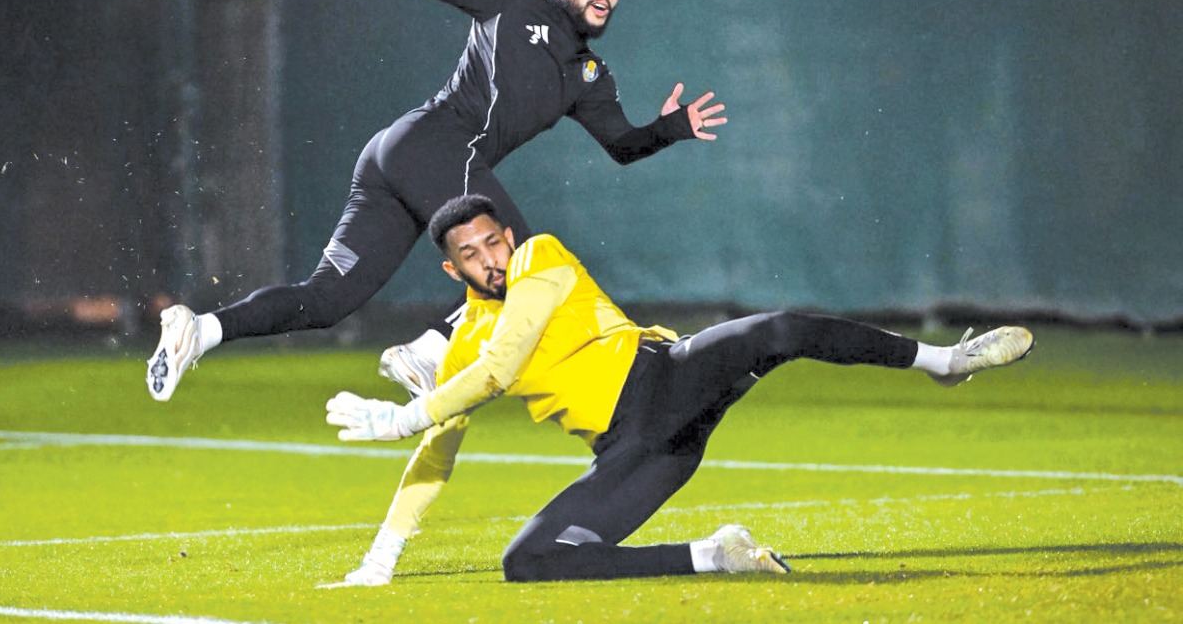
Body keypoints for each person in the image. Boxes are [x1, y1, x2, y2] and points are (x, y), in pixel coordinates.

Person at [145, 0, 727, 402]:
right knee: (526, 264)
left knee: (326, 302)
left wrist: (670, 127)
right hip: (431, 146)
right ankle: (429, 352)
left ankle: (202, 329)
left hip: (409, 158)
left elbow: (622, 145)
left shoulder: (589, 76)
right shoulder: (515, 1)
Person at [321, 194, 1035, 585]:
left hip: (668, 376)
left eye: (492, 242)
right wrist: (381, 558)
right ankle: (714, 554)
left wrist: (403, 415)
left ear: (510, 236)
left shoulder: (540, 257)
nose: (489, 259)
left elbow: (505, 366)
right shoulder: (464, 347)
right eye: (469, 255)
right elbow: (439, 453)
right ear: (453, 272)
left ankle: (945, 362)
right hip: (642, 449)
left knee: (777, 329)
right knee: (529, 562)